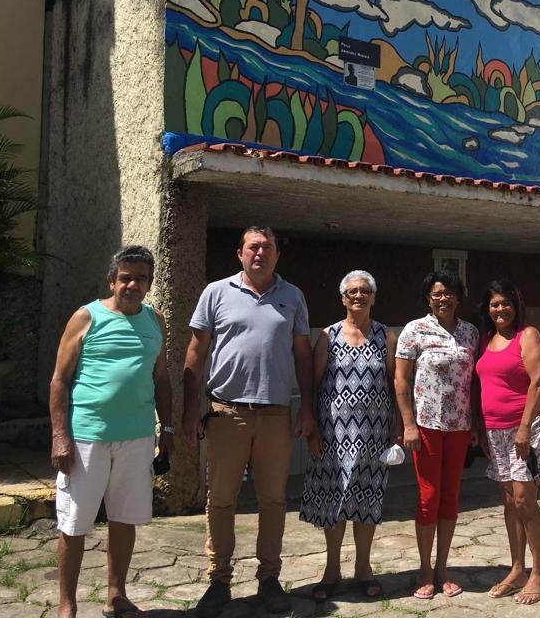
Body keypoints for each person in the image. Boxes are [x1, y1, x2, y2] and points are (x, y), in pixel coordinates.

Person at [182, 226, 314, 617]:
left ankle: (269, 579)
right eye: (254, 247)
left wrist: (307, 406)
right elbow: (195, 351)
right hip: (226, 414)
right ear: (240, 253)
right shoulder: (216, 293)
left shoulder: (293, 297)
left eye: (268, 247)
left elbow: (303, 356)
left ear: (277, 255)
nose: (261, 253)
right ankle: (219, 581)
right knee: (221, 500)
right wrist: (190, 410)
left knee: (273, 501)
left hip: (275, 414)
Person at [49, 246, 173, 618]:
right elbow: (59, 381)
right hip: (87, 438)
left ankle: (115, 596)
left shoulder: (156, 321)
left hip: (136, 439)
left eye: (141, 278)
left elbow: (162, 379)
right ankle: (67, 604)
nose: (133, 284)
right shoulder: (86, 317)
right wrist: (60, 435)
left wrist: (165, 429)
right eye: (125, 277)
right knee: (74, 522)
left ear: (150, 283)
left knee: (125, 517)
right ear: (112, 280)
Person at [300, 270, 397, 601]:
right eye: (352, 291)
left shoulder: (387, 336)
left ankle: (364, 568)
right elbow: (313, 384)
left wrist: (398, 425)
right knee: (334, 501)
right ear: (343, 298)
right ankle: (331, 570)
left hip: (375, 433)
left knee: (367, 500)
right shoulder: (328, 336)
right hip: (333, 435)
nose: (359, 295)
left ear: (373, 297)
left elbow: (395, 383)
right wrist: (310, 425)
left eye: (365, 291)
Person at [394, 270, 479, 599]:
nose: (444, 298)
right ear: (428, 297)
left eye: (449, 293)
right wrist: (408, 424)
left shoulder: (470, 333)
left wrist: (473, 423)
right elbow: (401, 381)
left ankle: (444, 568)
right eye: (437, 293)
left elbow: (473, 382)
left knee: (451, 497)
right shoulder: (415, 330)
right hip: (426, 426)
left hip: (459, 428)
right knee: (428, 498)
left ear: (458, 297)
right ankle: (425, 569)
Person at [475, 279, 540, 605]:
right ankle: (517, 568)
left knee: (523, 499)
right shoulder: (485, 340)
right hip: (495, 431)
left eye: (506, 303)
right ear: (488, 309)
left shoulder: (528, 335)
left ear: (516, 306)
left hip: (527, 427)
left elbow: (539, 382)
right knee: (508, 501)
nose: (501, 309)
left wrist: (523, 428)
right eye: (495, 304)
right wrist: (480, 428)